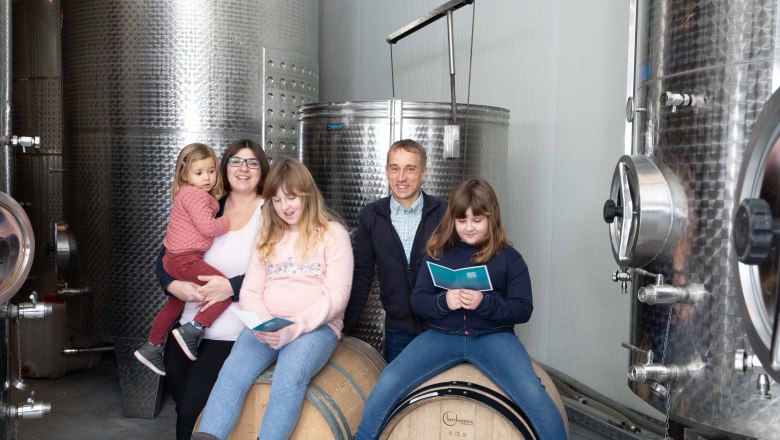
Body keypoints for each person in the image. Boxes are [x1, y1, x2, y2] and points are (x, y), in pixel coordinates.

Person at [355, 178, 568, 440]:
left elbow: (523, 309)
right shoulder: (438, 253)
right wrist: (444, 302)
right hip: (442, 336)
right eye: (461, 220)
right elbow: (418, 301)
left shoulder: (510, 259)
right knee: (389, 380)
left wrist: (484, 303)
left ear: (492, 218)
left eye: (477, 220)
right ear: (452, 220)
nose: (468, 227)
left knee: (533, 392)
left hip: (494, 338)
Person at [191, 158, 354, 440]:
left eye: (291, 198)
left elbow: (336, 296)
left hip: (315, 327)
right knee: (231, 373)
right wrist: (264, 324)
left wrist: (293, 327)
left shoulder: (332, 234)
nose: (284, 207)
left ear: (307, 194)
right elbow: (250, 291)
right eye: (276, 200)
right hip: (267, 325)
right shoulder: (267, 235)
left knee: (289, 377)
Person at [159, 139, 270, 440]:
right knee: (183, 405)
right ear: (224, 167)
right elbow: (167, 254)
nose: (243, 168)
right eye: (236, 161)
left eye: (252, 163)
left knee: (190, 412)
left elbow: (280, 270)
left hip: (231, 333)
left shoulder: (271, 211)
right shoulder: (209, 203)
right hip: (186, 327)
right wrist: (173, 284)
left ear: (262, 169)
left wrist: (230, 287)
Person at [343, 139, 447, 362]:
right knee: (396, 385)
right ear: (386, 171)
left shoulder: (444, 213)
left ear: (424, 172)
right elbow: (362, 276)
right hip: (397, 330)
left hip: (441, 328)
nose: (401, 177)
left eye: (410, 169)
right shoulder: (371, 216)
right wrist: (343, 326)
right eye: (394, 168)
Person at [135, 143, 232, 375]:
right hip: (186, 259)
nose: (206, 178)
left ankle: (152, 345)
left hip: (174, 259)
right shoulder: (194, 195)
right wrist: (227, 221)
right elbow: (209, 227)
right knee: (224, 288)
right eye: (199, 173)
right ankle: (194, 328)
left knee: (174, 304)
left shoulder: (190, 194)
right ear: (185, 175)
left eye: (211, 171)